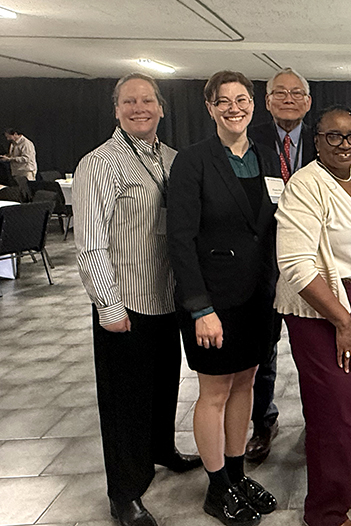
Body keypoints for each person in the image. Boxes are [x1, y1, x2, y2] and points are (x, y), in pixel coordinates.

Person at [72, 72, 201, 526]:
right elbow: (89, 242)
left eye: (147, 100)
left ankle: (161, 450)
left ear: (162, 108)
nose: (139, 108)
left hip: (166, 298)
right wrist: (108, 306)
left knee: (164, 385)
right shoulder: (100, 163)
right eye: (129, 102)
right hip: (125, 303)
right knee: (124, 401)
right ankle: (124, 492)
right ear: (116, 110)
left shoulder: (171, 158)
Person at [167, 70, 278, 526]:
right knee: (213, 392)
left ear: (253, 104)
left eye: (242, 99)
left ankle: (236, 473)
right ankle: (217, 488)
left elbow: (268, 224)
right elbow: (179, 238)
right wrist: (200, 308)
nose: (235, 108)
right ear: (209, 108)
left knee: (247, 383)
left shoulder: (265, 156)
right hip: (213, 300)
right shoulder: (193, 161)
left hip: (258, 296)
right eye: (224, 101)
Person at [276, 105, 351, 526]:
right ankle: (324, 510)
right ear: (317, 140)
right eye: (334, 137)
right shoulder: (305, 186)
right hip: (324, 312)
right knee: (334, 409)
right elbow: (296, 263)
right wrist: (342, 320)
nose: (346, 145)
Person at [244, 66, 316, 463]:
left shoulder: (326, 138)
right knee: (263, 350)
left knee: (313, 350)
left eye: (296, 93)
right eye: (279, 93)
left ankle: (315, 421)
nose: (288, 99)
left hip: (311, 258)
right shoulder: (248, 140)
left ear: (308, 101)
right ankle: (262, 421)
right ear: (267, 100)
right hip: (262, 262)